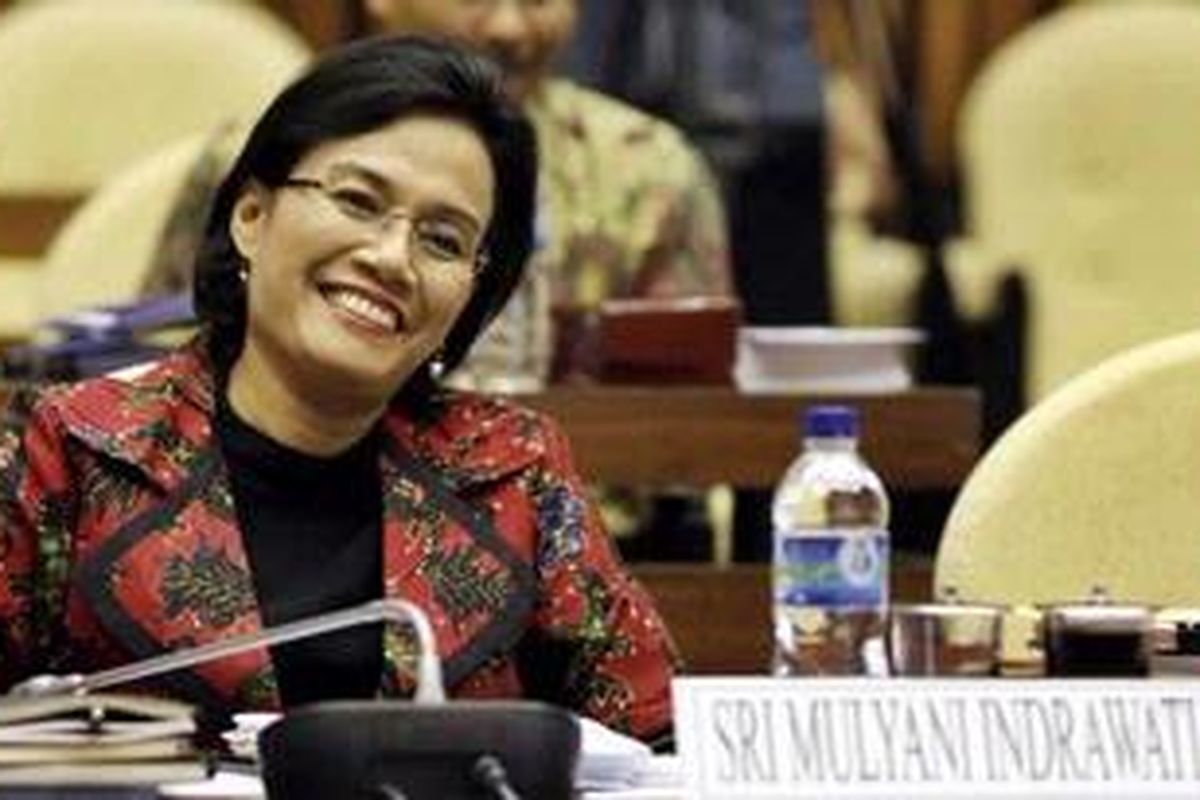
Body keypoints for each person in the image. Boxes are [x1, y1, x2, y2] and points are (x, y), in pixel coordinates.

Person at [0, 36, 677, 744]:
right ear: (252, 217)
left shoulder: (514, 469)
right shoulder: (72, 448)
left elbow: (658, 736)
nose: (391, 258)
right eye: (358, 201)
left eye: (443, 242)